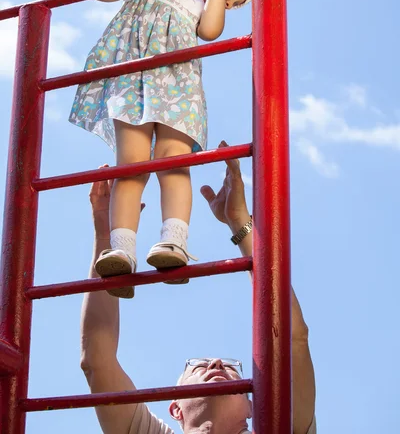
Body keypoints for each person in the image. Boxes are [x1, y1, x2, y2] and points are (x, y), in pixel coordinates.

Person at [69, 0, 254, 299]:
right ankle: (121, 248)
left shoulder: (205, 2)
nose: (232, 4)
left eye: (235, 1)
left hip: (177, 85)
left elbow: (212, 30)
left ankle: (173, 243)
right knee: (131, 164)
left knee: (174, 161)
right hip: (132, 81)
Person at [80, 143, 317, 433]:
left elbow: (293, 340)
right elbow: (96, 360)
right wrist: (107, 240)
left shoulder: (275, 425)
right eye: (196, 367)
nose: (216, 362)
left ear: (253, 406)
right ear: (175, 406)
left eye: (233, 369)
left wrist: (240, 222)